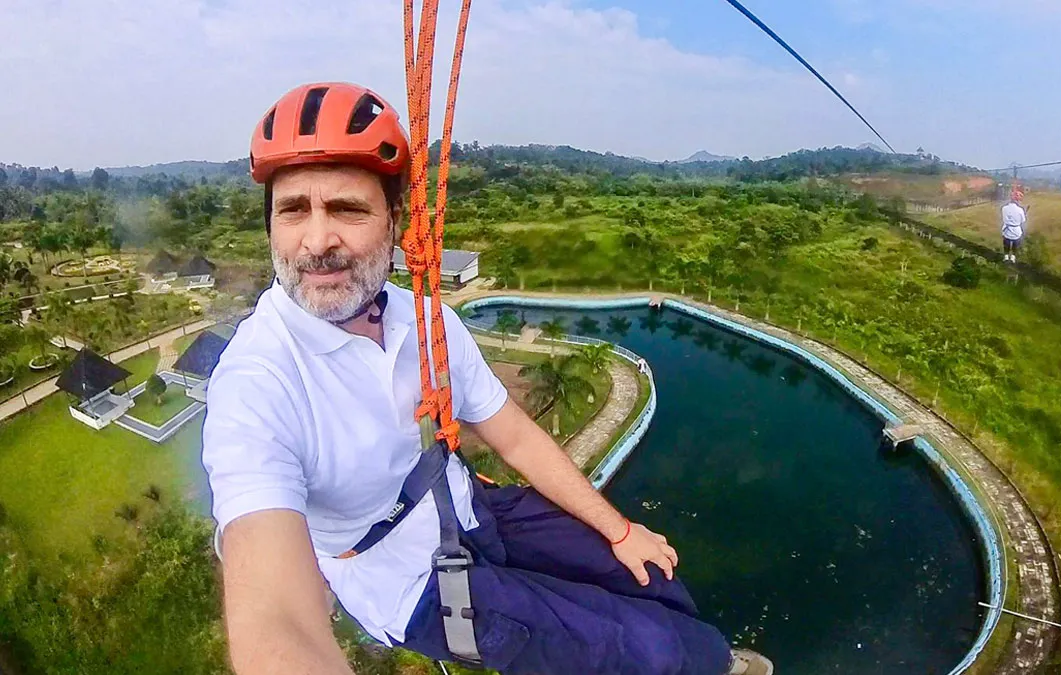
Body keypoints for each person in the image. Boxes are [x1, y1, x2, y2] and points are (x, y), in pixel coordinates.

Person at [202, 81, 773, 675]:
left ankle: (707, 658)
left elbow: (515, 436)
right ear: (269, 224)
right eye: (293, 210)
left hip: (472, 507)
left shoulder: (425, 323)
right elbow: (275, 623)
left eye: (347, 208)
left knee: (650, 574)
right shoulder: (257, 382)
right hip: (410, 584)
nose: (318, 242)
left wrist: (619, 528)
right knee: (639, 650)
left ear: (394, 222)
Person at [1001, 188, 1028, 263]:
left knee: (1006, 243)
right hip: (1016, 230)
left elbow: (1004, 218)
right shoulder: (1020, 210)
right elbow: (1023, 221)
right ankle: (1013, 258)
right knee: (1015, 244)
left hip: (1006, 229)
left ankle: (1006, 257)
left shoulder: (1004, 208)